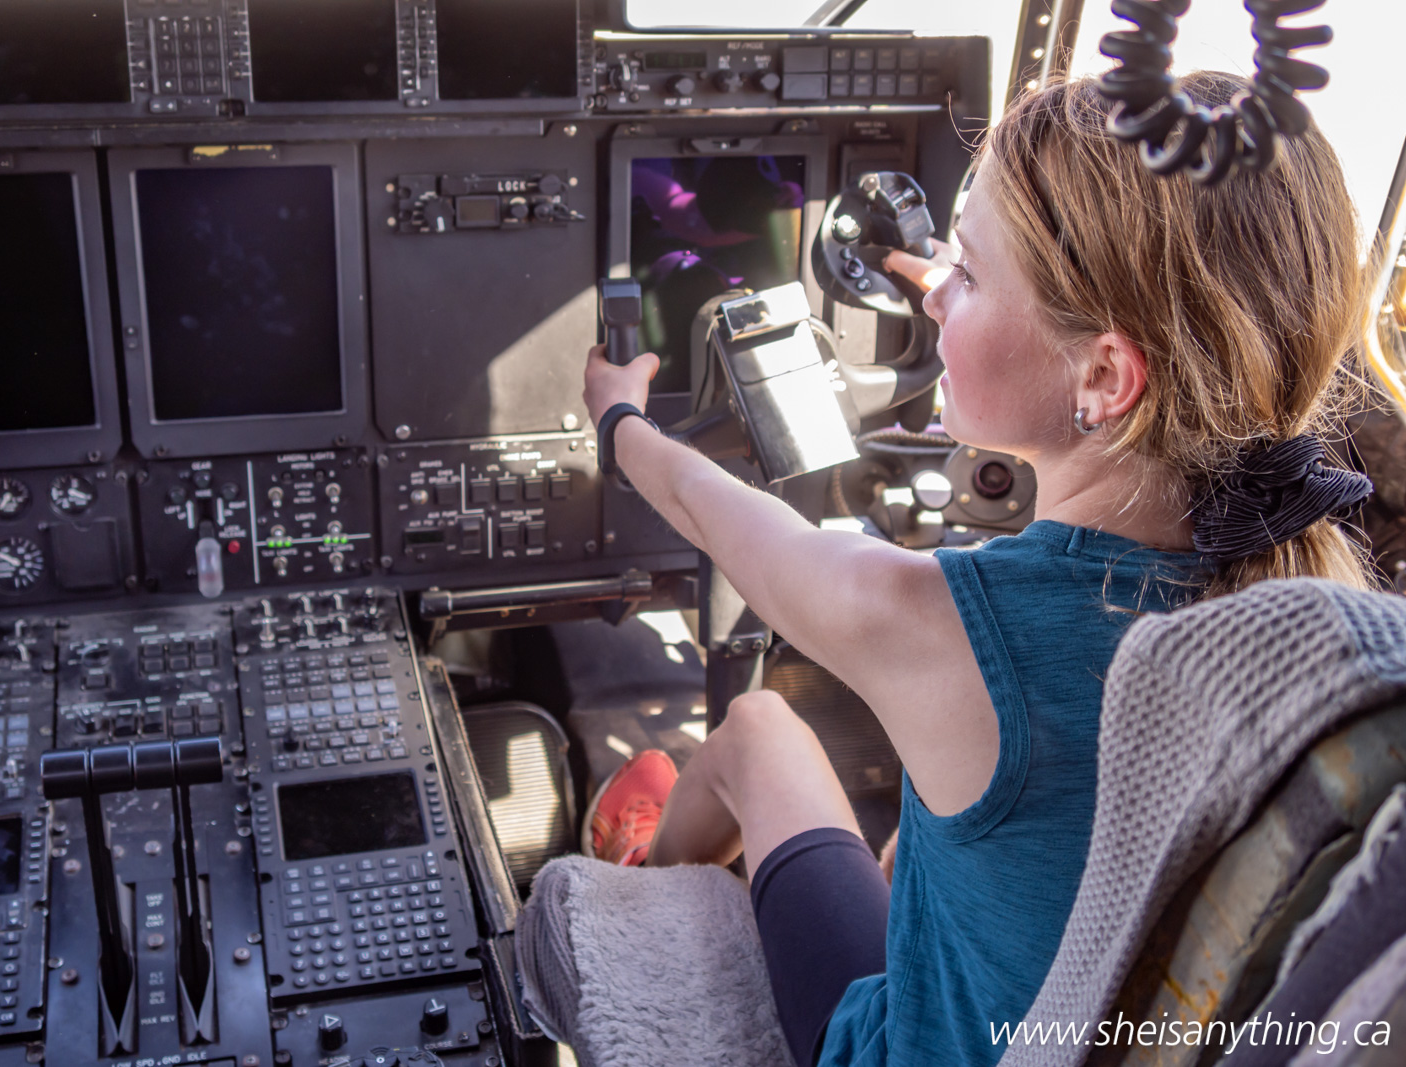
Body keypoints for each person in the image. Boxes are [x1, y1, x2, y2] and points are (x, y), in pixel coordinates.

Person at [572, 72, 1376, 1067]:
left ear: (1105, 376)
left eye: (972, 274)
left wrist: (619, 415)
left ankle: (641, 890)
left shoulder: (945, 627)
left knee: (756, 727)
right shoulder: (1320, 624)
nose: (933, 289)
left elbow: (711, 506)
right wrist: (992, 293)